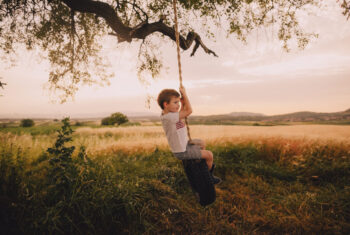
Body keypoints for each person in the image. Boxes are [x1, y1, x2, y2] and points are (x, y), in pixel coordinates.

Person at [157, 86, 221, 184]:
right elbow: (189, 111)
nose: (178, 105)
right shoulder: (169, 117)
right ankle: (209, 177)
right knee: (209, 155)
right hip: (182, 151)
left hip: (185, 144)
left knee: (201, 143)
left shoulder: (168, 115)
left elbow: (182, 113)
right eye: (175, 102)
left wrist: (182, 103)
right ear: (166, 104)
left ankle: (198, 166)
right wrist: (185, 94)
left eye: (178, 102)